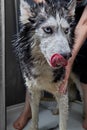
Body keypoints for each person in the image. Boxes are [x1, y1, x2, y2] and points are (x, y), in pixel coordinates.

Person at [13, 0, 87, 130]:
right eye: (48, 29)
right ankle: (29, 114)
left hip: (76, 13)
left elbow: (83, 24)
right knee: (32, 89)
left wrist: (69, 62)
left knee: (83, 63)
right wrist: (42, 6)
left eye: (66, 31)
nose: (65, 51)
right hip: (46, 9)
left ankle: (86, 111)